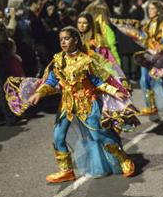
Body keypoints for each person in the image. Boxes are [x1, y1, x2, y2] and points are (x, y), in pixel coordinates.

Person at [7, 27, 139, 182]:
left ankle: (123, 159)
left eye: (66, 38)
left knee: (100, 135)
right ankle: (66, 171)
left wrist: (114, 92)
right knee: (58, 137)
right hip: (67, 104)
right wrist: (39, 93)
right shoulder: (58, 59)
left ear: (75, 40)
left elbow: (98, 81)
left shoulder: (86, 60)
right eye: (61, 39)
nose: (63, 42)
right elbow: (51, 81)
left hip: (88, 103)